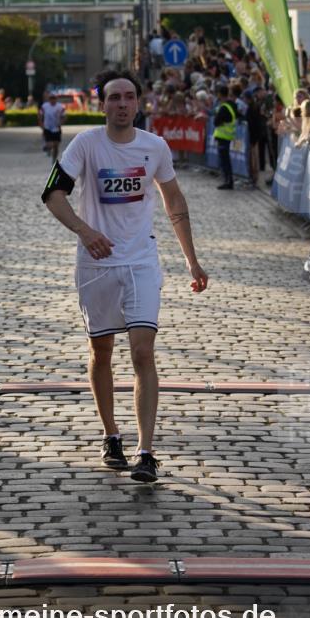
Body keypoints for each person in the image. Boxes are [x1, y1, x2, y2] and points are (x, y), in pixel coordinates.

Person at [41, 70, 208, 484]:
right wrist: (85, 230)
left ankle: (146, 452)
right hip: (95, 264)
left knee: (142, 352)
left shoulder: (155, 147)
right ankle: (111, 435)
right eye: (113, 97)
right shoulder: (85, 145)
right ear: (102, 104)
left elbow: (174, 200)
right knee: (101, 353)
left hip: (141, 262)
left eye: (129, 97)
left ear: (138, 103)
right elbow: (52, 194)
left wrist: (192, 260)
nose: (121, 104)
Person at [213, 84, 237, 190]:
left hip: (223, 137)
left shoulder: (223, 107)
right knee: (226, 160)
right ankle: (228, 180)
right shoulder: (232, 105)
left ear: (220, 94)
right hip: (227, 137)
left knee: (225, 161)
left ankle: (228, 181)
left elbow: (216, 122)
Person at [38, 91, 67, 162]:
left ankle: (54, 159)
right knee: (50, 144)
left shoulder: (60, 106)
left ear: (56, 99)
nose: (52, 100)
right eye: (51, 98)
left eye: (54, 98)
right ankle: (47, 148)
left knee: (56, 146)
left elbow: (64, 116)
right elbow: (40, 115)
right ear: (49, 99)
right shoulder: (45, 106)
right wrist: (41, 124)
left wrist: (61, 123)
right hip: (47, 128)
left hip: (57, 128)